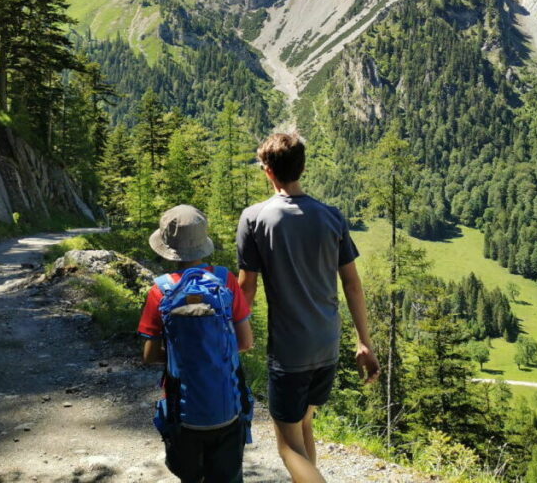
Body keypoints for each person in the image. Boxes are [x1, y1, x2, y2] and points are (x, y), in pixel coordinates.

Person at [236, 133, 380, 483]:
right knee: (304, 424)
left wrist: (233, 335)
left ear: (267, 171)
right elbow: (352, 284)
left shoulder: (255, 219)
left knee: (287, 446)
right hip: (327, 344)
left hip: (290, 350)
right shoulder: (332, 217)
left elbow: (247, 287)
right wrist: (363, 342)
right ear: (301, 167)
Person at [138, 205, 255, 483]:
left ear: (167, 246)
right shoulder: (226, 281)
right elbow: (246, 342)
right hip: (227, 407)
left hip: (184, 411)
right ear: (203, 243)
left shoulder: (160, 290)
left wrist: (185, 353)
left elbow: (149, 355)